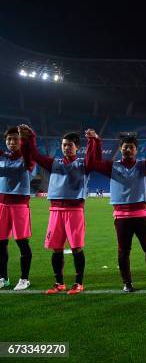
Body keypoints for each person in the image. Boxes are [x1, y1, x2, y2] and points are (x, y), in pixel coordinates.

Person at [86, 129, 146, 292]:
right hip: (121, 217)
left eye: (131, 147)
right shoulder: (112, 166)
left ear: (136, 150)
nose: (127, 149)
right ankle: (127, 282)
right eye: (124, 147)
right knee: (124, 251)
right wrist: (96, 141)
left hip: (142, 215)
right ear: (120, 149)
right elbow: (94, 163)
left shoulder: (143, 165)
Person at [19, 125, 90, 295]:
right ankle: (59, 283)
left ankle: (78, 283)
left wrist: (94, 140)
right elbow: (35, 155)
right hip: (55, 210)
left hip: (74, 210)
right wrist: (30, 137)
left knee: (76, 248)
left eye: (70, 145)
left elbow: (94, 158)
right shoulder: (54, 163)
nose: (66, 147)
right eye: (64, 144)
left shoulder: (83, 164)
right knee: (56, 248)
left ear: (77, 147)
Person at [0, 126, 34, 291]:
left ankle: (24, 279)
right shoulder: (2, 156)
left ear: (21, 141)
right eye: (9, 139)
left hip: (19, 205)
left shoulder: (26, 158)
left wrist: (29, 137)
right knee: (1, 243)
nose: (12, 142)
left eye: (15, 139)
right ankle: (3, 278)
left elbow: (29, 151)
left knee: (21, 242)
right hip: (1, 205)